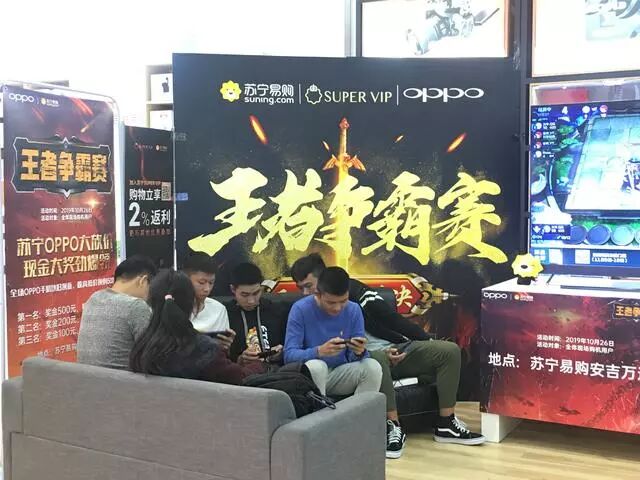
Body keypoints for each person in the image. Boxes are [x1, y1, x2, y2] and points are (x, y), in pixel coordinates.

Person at [291, 253, 486, 457]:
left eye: (309, 286)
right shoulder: (302, 310)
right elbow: (305, 351)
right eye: (301, 288)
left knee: (449, 351)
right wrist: (366, 353)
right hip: (367, 360)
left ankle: (446, 423)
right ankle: (392, 426)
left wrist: (421, 340)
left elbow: (390, 318)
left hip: (393, 348)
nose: (306, 293)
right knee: (376, 360)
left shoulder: (353, 300)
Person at [130, 269, 265, 383]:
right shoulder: (202, 350)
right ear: (190, 303)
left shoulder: (141, 346)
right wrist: (260, 365)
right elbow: (239, 378)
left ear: (151, 301)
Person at [284, 266, 382, 400]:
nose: (337, 308)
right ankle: (320, 411)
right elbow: (289, 355)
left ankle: (360, 412)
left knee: (373, 367)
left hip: (340, 372)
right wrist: (318, 351)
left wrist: (359, 352)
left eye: (343, 301)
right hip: (310, 375)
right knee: (318, 367)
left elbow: (355, 358)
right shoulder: (300, 309)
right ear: (317, 294)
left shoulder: (354, 309)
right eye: (331, 302)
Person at [77, 255, 157, 370]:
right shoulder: (136, 306)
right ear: (143, 281)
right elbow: (153, 356)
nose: (149, 295)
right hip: (120, 380)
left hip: (85, 378)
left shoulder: (93, 298)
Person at [225, 263, 286, 368]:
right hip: (241, 373)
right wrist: (239, 360)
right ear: (233, 290)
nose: (251, 301)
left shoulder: (276, 311)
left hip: (275, 370)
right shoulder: (225, 314)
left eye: (256, 293)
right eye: (245, 295)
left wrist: (281, 352)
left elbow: (290, 347)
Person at [182, 252, 235, 351]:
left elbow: (223, 353)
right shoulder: (171, 307)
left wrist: (225, 346)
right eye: (201, 282)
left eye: (211, 283)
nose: (207, 289)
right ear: (185, 279)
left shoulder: (219, 310)